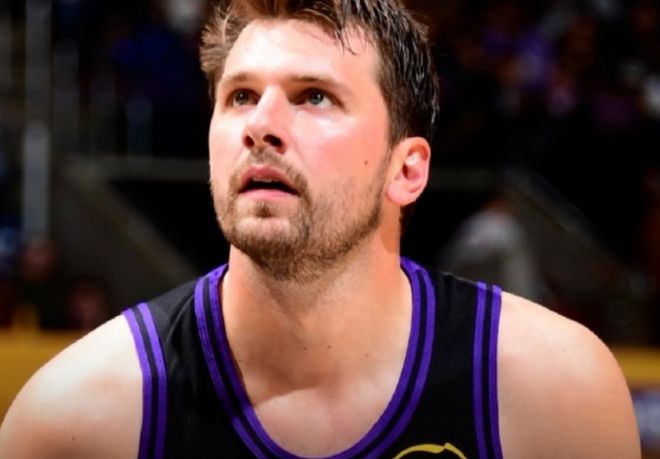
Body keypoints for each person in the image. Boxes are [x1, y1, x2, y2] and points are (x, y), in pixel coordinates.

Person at [0, 0, 640, 457]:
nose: (261, 125)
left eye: (314, 96)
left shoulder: (552, 392)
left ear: (407, 170)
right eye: (241, 96)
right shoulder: (77, 420)